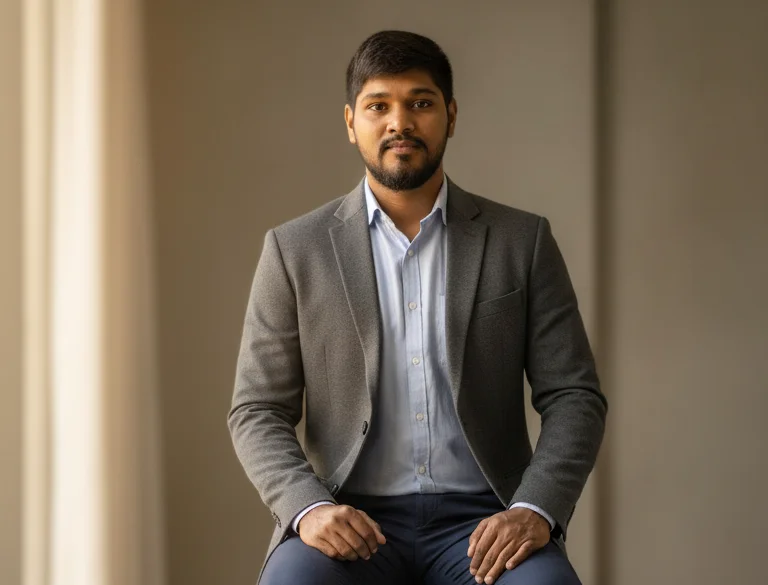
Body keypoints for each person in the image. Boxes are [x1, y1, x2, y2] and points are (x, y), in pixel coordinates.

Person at [228, 29, 607, 585]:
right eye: (378, 106)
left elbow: (574, 395)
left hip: (485, 519)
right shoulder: (294, 250)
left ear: (450, 116)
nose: (399, 122)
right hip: (350, 516)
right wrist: (307, 508)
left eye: (420, 104)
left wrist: (534, 509)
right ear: (351, 122)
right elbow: (256, 409)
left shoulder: (520, 241)